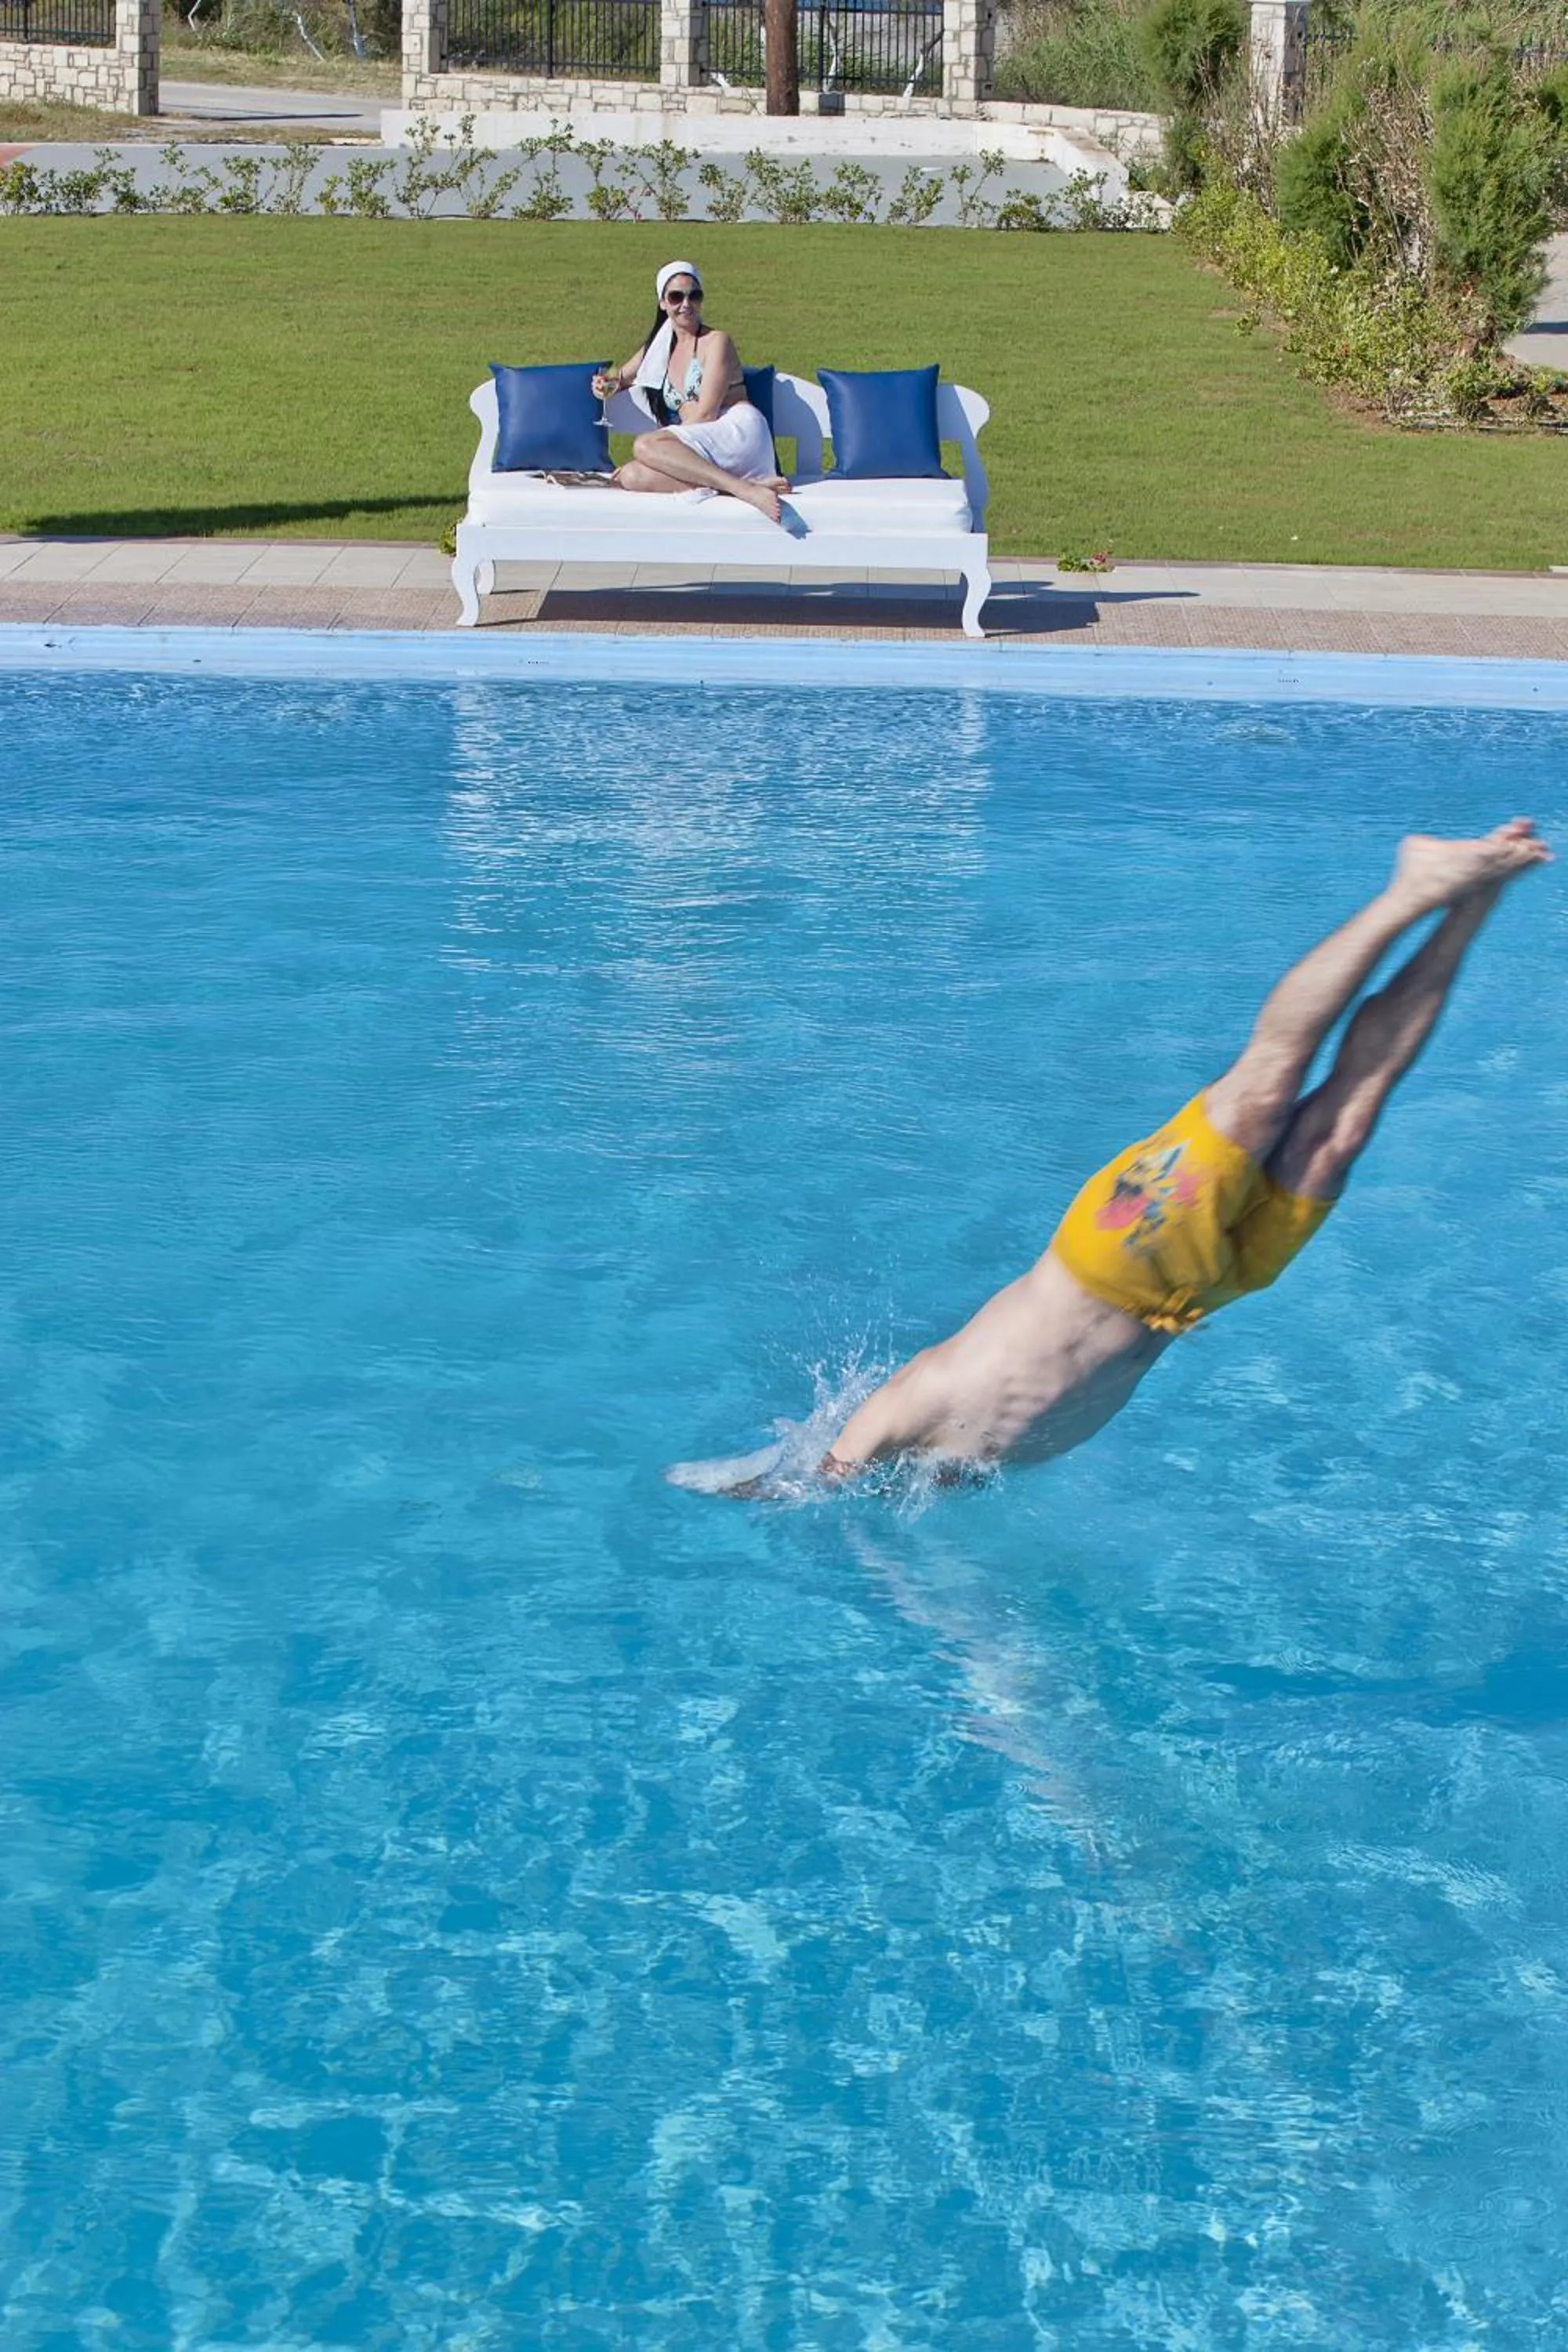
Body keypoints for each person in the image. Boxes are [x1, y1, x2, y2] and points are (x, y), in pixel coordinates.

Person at [670, 822, 1551, 1497]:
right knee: (1345, 1123)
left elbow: (818, 1476)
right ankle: (1470, 899)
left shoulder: (900, 1413)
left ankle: (1409, 891)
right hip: (1204, 1290)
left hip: (1116, 1252)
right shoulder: (960, 1479)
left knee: (1263, 1087)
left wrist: (747, 1485)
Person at [593, 260, 793, 527]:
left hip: (735, 431)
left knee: (644, 445)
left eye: (694, 296)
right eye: (676, 297)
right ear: (663, 303)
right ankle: (742, 485)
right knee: (629, 477)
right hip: (705, 446)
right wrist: (606, 385)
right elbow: (621, 378)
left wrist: (669, 440)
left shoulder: (716, 341)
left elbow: (707, 412)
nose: (686, 304)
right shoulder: (658, 349)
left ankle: (744, 490)